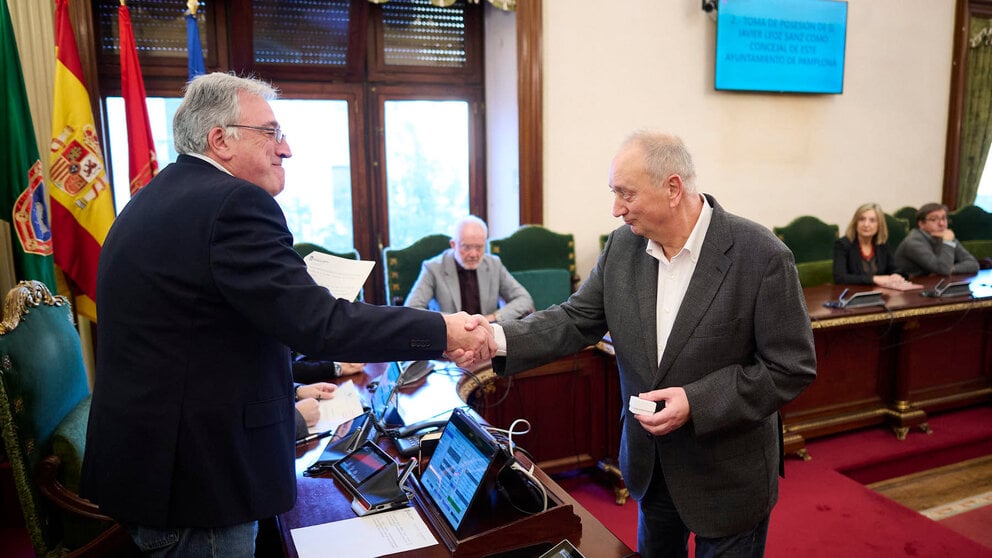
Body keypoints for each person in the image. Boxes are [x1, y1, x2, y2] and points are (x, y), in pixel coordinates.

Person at [80, 72, 494, 556]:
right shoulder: (231, 203)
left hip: (158, 464)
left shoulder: (163, 195)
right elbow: (320, 323)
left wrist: (291, 387)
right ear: (220, 140)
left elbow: (207, 336)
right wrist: (442, 329)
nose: (287, 149)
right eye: (272, 133)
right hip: (198, 484)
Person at [486, 131, 816, 558]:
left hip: (728, 477)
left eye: (626, 194)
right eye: (614, 193)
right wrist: (494, 339)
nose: (616, 209)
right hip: (651, 466)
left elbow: (791, 367)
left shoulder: (762, 256)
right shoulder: (623, 247)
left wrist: (695, 401)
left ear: (673, 188)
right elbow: (574, 318)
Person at [405, 215, 534, 322]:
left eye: (479, 247)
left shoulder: (494, 264)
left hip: (487, 334)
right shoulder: (433, 268)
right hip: (449, 338)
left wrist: (494, 317)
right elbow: (412, 308)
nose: (473, 254)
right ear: (453, 245)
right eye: (466, 247)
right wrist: (454, 322)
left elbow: (524, 299)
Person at [894, 203, 979, 277]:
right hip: (909, 288)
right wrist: (948, 242)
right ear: (921, 224)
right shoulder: (913, 242)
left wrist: (952, 269)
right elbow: (944, 270)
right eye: (934, 219)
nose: (941, 224)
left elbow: (973, 264)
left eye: (944, 218)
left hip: (935, 283)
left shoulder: (945, 235)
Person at [833, 202, 906, 286]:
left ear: (879, 225)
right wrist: (874, 279)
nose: (866, 224)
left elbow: (897, 270)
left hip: (880, 294)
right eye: (862, 219)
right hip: (853, 295)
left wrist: (896, 275)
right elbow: (840, 278)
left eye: (872, 220)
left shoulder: (882, 244)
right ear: (855, 222)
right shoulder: (842, 244)